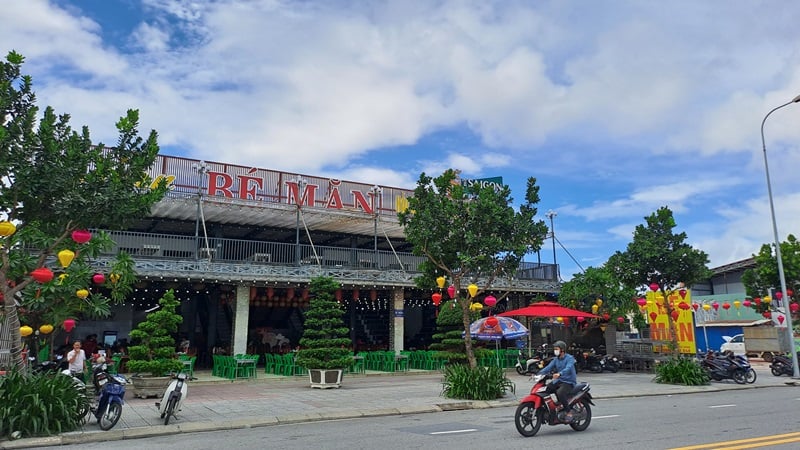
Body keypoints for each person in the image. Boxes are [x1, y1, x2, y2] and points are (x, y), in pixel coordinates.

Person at [540, 340, 578, 422]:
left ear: (562, 350)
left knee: (560, 392)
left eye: (556, 349)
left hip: (568, 381)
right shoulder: (556, 360)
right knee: (546, 389)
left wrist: (560, 374)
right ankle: (551, 408)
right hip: (559, 380)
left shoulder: (570, 358)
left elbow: (568, 368)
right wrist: (538, 374)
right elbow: (548, 368)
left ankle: (569, 412)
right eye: (554, 349)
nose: (555, 351)